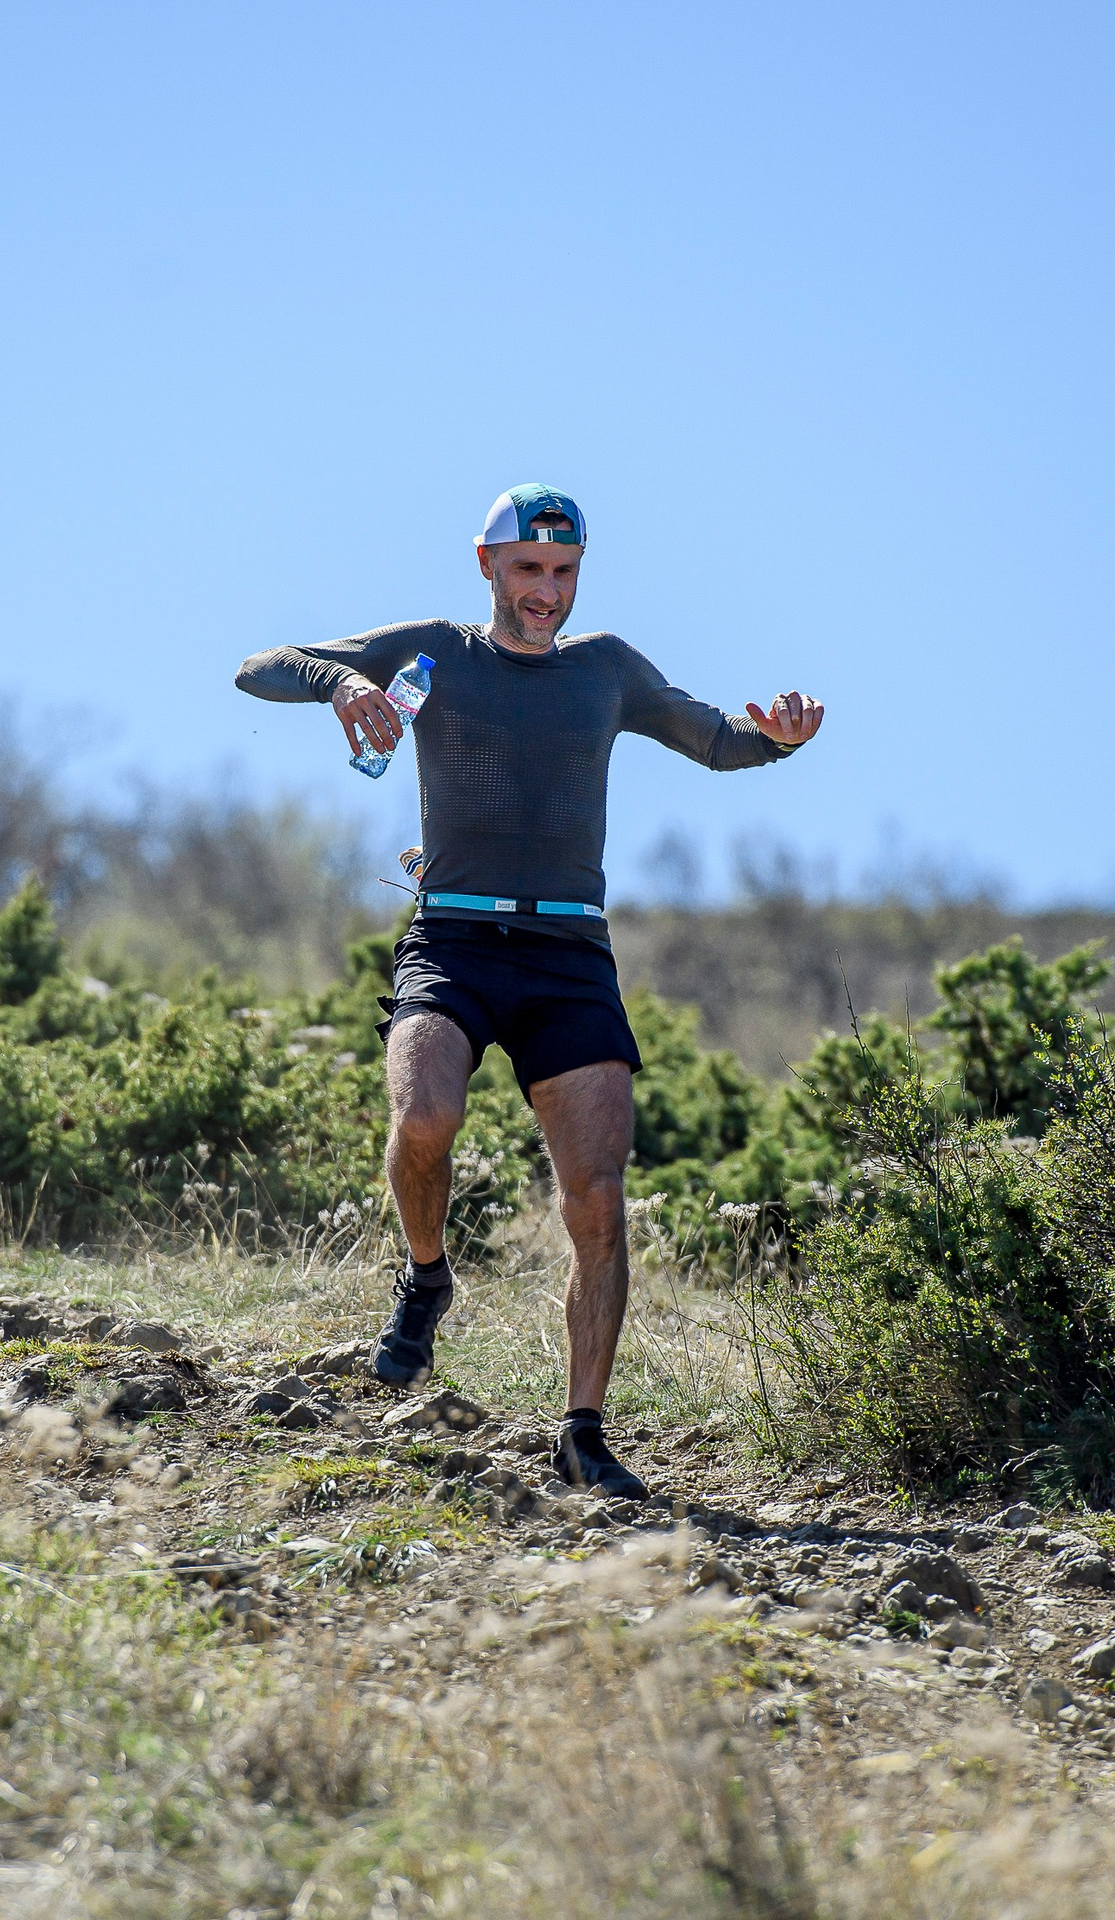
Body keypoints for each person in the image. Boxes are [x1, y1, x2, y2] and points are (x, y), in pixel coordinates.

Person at [234, 485, 824, 1500]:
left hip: (567, 953)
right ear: (486, 564)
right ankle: (426, 1280)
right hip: (455, 935)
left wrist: (776, 734)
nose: (545, 591)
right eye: (526, 570)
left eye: (563, 572)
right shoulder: (436, 652)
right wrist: (342, 689)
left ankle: (583, 1431)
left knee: (596, 1200)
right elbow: (259, 668)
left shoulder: (606, 670)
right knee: (424, 1116)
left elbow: (716, 738)